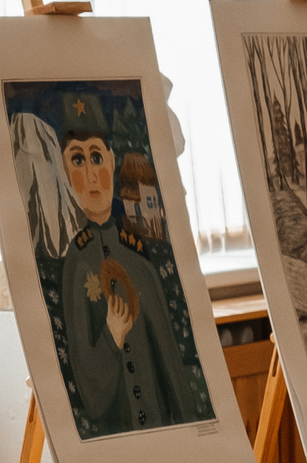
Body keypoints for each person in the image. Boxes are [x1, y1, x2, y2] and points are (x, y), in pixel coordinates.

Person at [43, 93, 210, 438]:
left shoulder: (139, 259)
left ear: (112, 161)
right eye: (77, 161)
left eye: (95, 157)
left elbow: (171, 368)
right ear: (63, 169)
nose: (90, 176)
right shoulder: (76, 263)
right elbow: (91, 396)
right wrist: (111, 337)